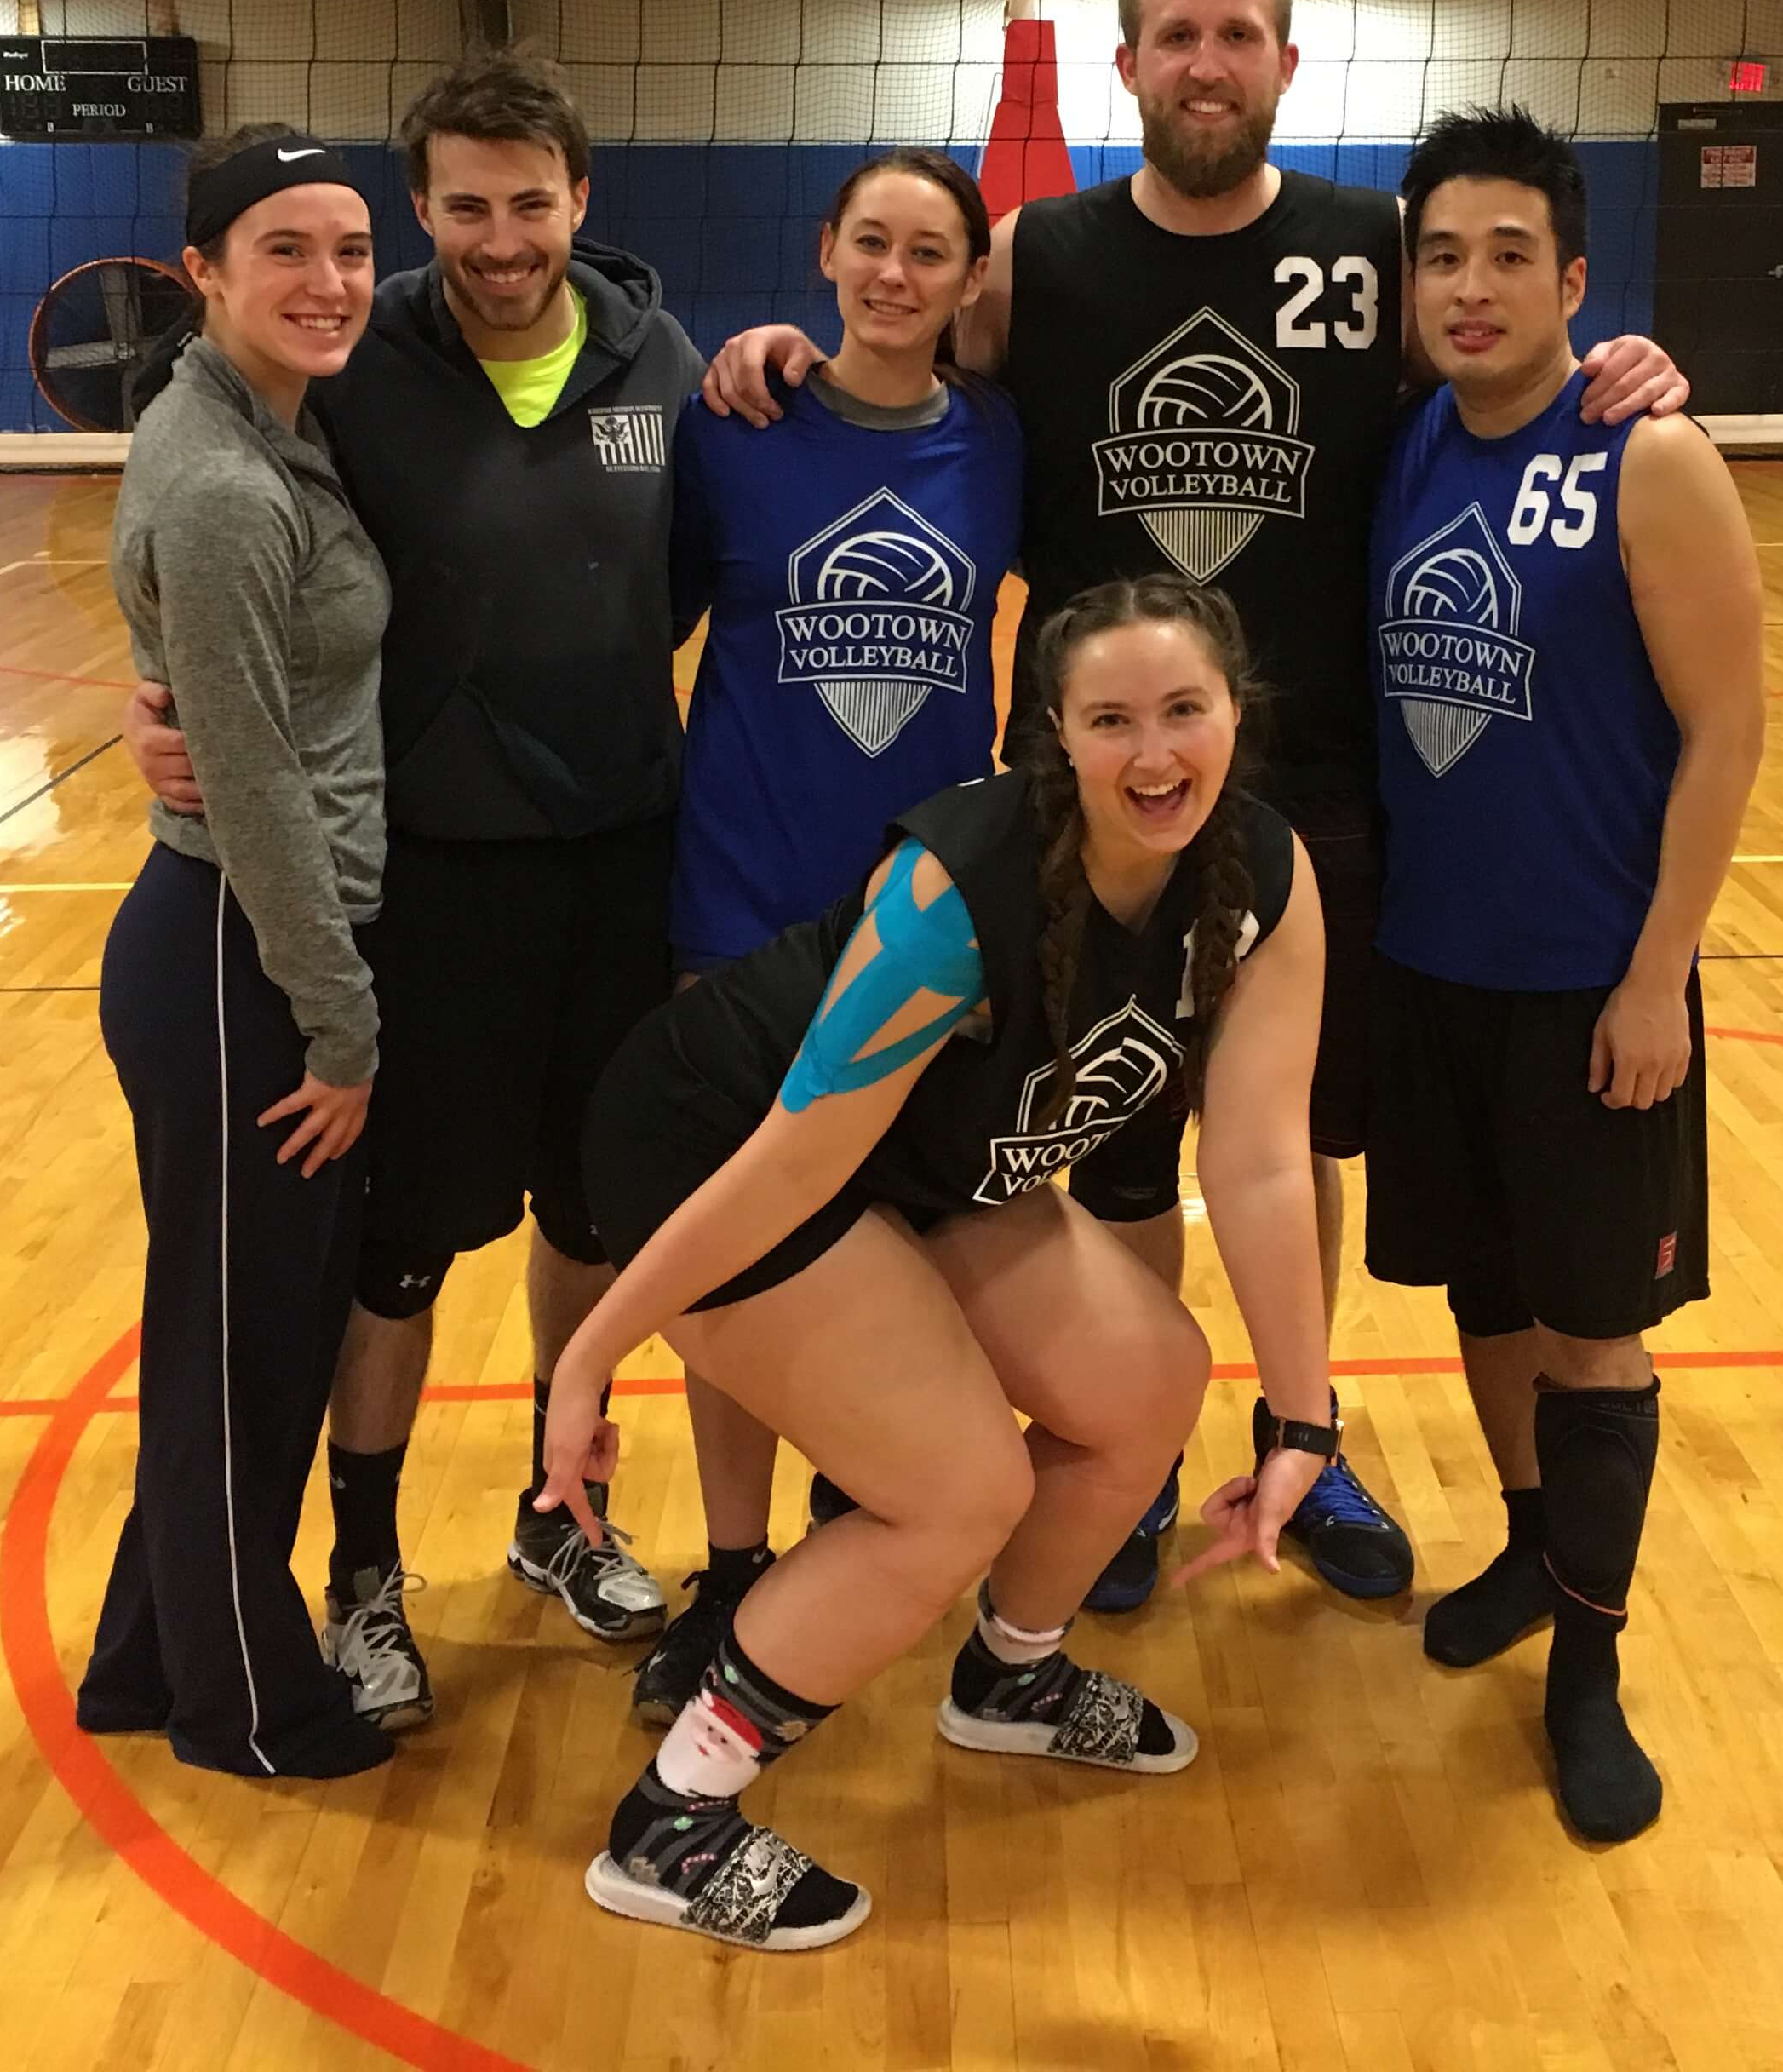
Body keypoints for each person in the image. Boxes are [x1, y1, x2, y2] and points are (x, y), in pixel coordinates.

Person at [707, 0, 1691, 1610]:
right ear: (1129, 62)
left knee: (1291, 1128)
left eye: (1239, 35)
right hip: (1089, 789)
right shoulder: (1038, 256)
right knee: (1100, 1141)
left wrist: (1629, 363)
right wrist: (777, 360)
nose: (1209, 64)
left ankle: (1302, 1429)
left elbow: (1504, 361)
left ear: (1287, 61)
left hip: (1312, 786)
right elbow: (898, 362)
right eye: (1179, 35)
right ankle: (1133, 1444)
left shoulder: (1374, 250)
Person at [543, 578, 1336, 1950]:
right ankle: (670, 1823)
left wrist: (1303, 1419)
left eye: (1183, 710)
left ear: (1234, 713)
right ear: (1054, 736)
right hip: (712, 1146)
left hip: (920, 1165)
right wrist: (591, 1356)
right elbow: (795, 1160)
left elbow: (1261, 1161)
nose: (1155, 755)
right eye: (1111, 721)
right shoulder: (953, 892)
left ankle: (1010, 1678)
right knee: (957, 1493)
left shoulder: (1263, 873)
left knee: (1153, 1381)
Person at [126, 54, 704, 1731]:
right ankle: (366, 1565)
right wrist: (157, 697)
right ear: (423, 209)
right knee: (401, 1248)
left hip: (622, 855)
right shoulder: (355, 361)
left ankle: (558, 1509)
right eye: (463, 205)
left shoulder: (664, 360)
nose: (500, 236)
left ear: (581, 199)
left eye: (531, 201)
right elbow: (224, 553)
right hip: (433, 879)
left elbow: (708, 570)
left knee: (592, 1219)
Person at [1364, 106, 1763, 1845]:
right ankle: (1535, 1549)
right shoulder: (1410, 442)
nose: (1472, 286)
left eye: (1509, 255)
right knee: (1488, 1296)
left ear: (1575, 282)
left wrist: (1657, 974)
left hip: (1591, 987)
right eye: (1443, 256)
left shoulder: (1646, 455)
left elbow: (1729, 726)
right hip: (1427, 971)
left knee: (1596, 1338)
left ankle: (1589, 1672)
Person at [633, 148, 1025, 1730]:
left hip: (925, 919)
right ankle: (733, 1564)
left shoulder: (1001, 438)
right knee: (738, 1259)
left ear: (970, 281)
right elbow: (623, 625)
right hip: (741, 903)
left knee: (901, 1246)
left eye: (929, 252)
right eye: (872, 242)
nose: (894, 274)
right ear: (826, 251)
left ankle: (866, 1519)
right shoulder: (735, 426)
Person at [73, 126, 397, 1780]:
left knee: (246, 1333)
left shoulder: (265, 419)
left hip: (249, 946)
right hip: (236, 956)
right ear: (202, 269)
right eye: (287, 249)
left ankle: (147, 1657)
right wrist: (339, 1027)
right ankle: (244, 1706)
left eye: (352, 248)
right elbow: (254, 786)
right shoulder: (219, 481)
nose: (330, 281)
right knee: (235, 1349)